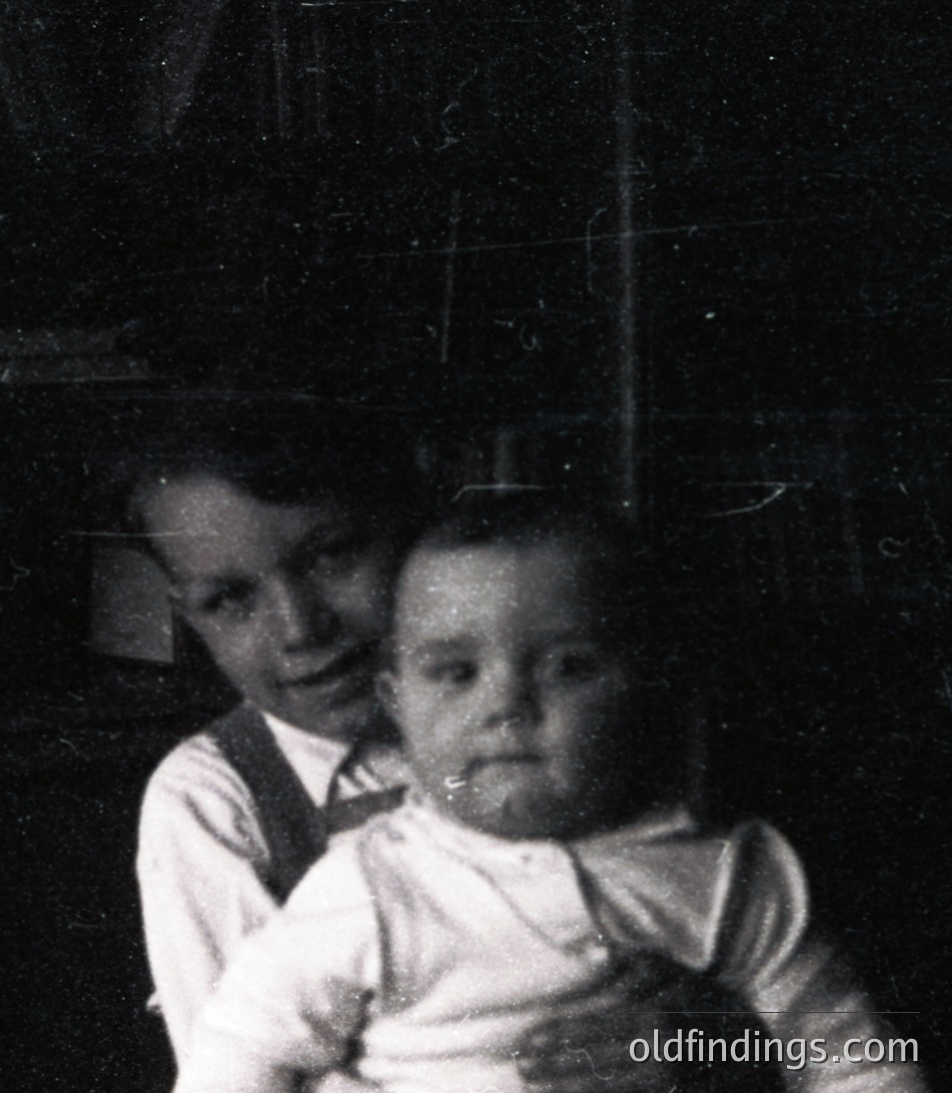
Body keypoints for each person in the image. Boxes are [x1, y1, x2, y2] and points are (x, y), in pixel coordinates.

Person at [173, 497, 925, 1093]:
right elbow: (236, 1057)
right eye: (455, 672)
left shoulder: (730, 866)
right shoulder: (366, 887)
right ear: (397, 704)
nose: (507, 704)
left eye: (568, 665)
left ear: (648, 686)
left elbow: (853, 1054)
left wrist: (719, 1045)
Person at [127, 406, 735, 1093]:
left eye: (332, 554)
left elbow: (769, 983)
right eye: (231, 597)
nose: (299, 627)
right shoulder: (213, 800)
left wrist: (721, 1040)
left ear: (418, 530)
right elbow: (238, 1065)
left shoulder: (588, 731)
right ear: (187, 618)